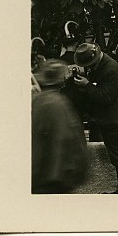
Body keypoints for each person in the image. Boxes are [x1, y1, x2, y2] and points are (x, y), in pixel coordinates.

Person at [69, 43, 118, 193]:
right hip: (101, 116)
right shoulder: (100, 64)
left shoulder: (110, 68)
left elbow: (105, 97)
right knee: (113, 153)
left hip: (112, 118)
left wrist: (87, 84)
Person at [32, 59, 89, 193]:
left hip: (39, 174)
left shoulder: (36, 101)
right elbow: (67, 138)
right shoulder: (59, 103)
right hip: (55, 176)